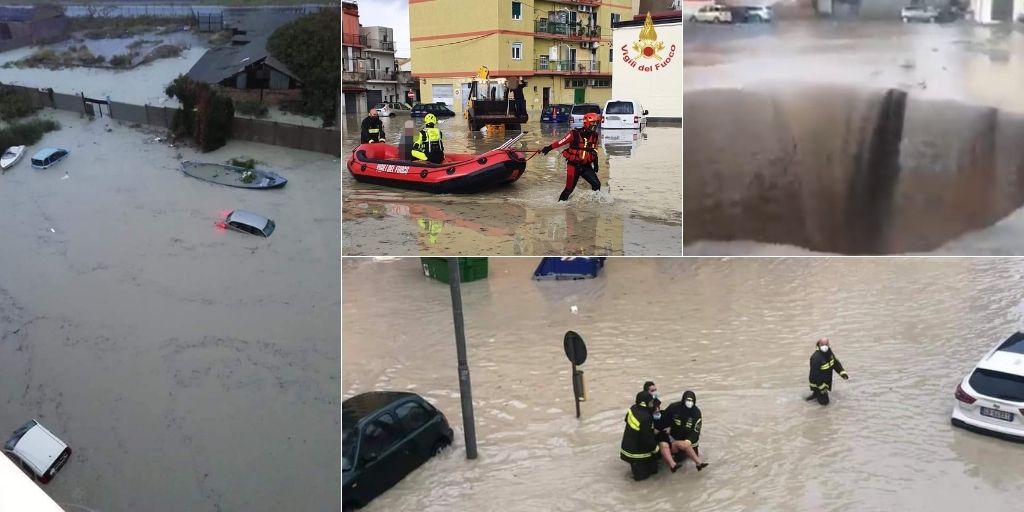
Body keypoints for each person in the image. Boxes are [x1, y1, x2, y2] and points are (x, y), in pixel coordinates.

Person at [541, 112, 602, 201]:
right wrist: (548, 148)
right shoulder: (574, 133)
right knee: (569, 189)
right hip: (574, 166)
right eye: (593, 122)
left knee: (596, 184)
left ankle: (593, 206)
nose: (595, 125)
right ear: (587, 123)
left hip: (586, 166)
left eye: (596, 123)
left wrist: (596, 164)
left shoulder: (595, 136)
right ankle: (560, 205)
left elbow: (594, 151)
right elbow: (560, 142)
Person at [620, 391, 659, 481]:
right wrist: (656, 450)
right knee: (645, 478)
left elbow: (626, 419)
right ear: (644, 403)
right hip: (637, 455)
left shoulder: (633, 409)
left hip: (626, 449)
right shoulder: (646, 418)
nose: (652, 404)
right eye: (650, 403)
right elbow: (647, 439)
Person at [668, 390, 708, 471]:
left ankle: (698, 463)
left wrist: (689, 441)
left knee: (692, 461)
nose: (689, 403)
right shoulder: (673, 407)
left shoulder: (696, 412)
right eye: (687, 401)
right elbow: (664, 418)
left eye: (691, 401)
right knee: (680, 461)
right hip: (676, 438)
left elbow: (696, 430)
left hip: (690, 441)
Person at [806, 337, 849, 406]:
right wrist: (822, 387)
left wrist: (842, 373)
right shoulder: (815, 357)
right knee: (825, 404)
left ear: (829, 344)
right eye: (822, 344)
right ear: (819, 345)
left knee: (817, 397)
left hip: (825, 381)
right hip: (818, 383)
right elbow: (814, 375)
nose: (824, 346)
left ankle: (813, 397)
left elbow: (835, 363)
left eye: (826, 344)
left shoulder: (829, 352)